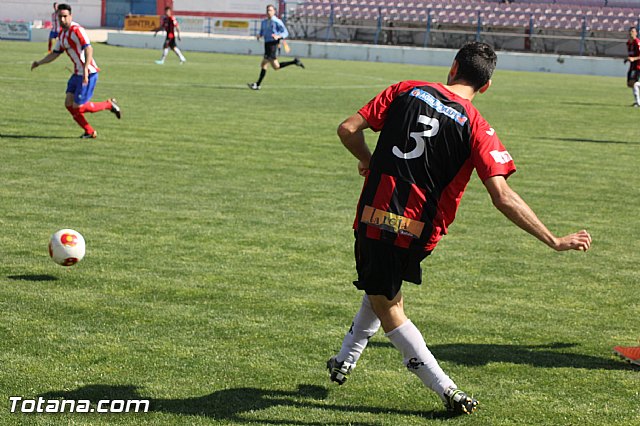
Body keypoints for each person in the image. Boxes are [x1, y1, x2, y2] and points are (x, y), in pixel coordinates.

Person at [329, 41, 592, 415]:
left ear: (452, 67)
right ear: (485, 87)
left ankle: (447, 390)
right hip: (421, 229)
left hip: (377, 216)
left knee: (387, 303)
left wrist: (368, 161)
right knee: (382, 288)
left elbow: (347, 129)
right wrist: (553, 239)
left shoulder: (404, 90)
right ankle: (344, 360)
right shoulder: (477, 126)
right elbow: (502, 195)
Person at [31, 3, 121, 139]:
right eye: (60, 17)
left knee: (78, 107)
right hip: (76, 74)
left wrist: (85, 69)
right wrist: (39, 62)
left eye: (65, 17)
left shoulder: (77, 30)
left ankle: (108, 105)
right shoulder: (61, 35)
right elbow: (55, 53)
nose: (62, 20)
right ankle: (89, 131)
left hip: (88, 73)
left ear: (70, 16)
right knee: (68, 104)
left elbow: (89, 48)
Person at [247, 4, 304, 90]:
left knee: (264, 63)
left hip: (273, 44)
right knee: (276, 66)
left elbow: (285, 33)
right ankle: (294, 62)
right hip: (267, 44)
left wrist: (278, 36)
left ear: (274, 12)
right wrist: (260, 35)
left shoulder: (277, 21)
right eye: (267, 10)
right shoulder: (264, 22)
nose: (268, 12)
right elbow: (263, 32)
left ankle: (257, 84)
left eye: (270, 10)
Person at [624, 27, 640, 107]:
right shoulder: (628, 43)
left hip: (638, 66)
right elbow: (631, 55)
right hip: (632, 66)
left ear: (636, 33)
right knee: (629, 84)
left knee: (634, 84)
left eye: (633, 31)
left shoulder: (637, 42)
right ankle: (637, 102)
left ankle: (638, 103)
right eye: (630, 31)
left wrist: (634, 58)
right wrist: (628, 59)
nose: (631, 33)